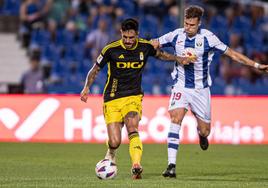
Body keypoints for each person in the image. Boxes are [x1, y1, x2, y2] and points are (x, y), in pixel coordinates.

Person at [151, 5, 268, 178]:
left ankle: (202, 135)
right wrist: (155, 47)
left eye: (192, 24)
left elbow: (232, 54)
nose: (188, 27)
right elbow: (154, 43)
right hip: (181, 86)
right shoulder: (176, 35)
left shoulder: (208, 38)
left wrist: (256, 65)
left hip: (201, 90)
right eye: (186, 23)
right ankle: (171, 166)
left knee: (205, 130)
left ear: (199, 24)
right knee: (175, 118)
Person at [80, 18, 194, 179]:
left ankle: (136, 165)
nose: (127, 41)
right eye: (125, 37)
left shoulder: (145, 47)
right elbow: (95, 69)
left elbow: (161, 55)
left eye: (131, 37)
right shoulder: (110, 49)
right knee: (114, 141)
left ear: (137, 35)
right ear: (121, 33)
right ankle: (111, 152)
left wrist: (178, 59)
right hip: (112, 99)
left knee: (132, 127)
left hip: (133, 96)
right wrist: (86, 87)